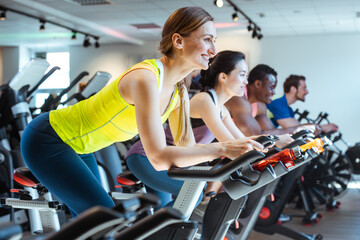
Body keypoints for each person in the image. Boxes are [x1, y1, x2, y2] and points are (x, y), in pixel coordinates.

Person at [20, 7, 262, 217]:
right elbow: (158, 157)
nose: (213, 50)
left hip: (81, 147)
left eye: (214, 41)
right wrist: (223, 149)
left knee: (90, 222)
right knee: (104, 217)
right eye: (207, 39)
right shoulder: (146, 78)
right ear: (178, 41)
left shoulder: (179, 89)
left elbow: (185, 147)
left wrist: (238, 152)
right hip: (49, 139)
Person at [126, 50, 250, 207]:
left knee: (162, 210)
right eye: (242, 75)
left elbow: (241, 141)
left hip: (170, 163)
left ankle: (151, 231)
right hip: (146, 158)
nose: (246, 82)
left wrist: (275, 144)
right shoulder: (205, 100)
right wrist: (254, 150)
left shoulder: (222, 109)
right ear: (223, 77)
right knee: (192, 195)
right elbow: (231, 144)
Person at [225, 64, 315, 141]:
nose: (274, 92)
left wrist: (299, 129)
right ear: (258, 84)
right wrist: (297, 129)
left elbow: (268, 132)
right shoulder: (238, 98)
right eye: (271, 87)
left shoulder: (260, 106)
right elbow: (256, 136)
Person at [267, 74, 338, 133]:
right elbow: (296, 130)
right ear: (293, 89)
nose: (307, 92)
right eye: (304, 88)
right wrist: (323, 127)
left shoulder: (288, 109)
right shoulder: (278, 102)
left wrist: (321, 127)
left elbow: (298, 126)